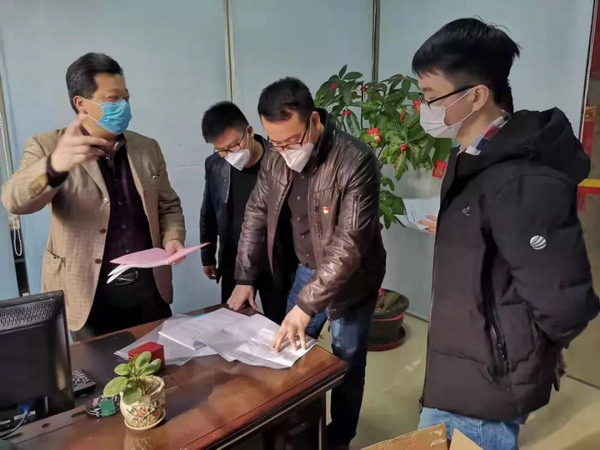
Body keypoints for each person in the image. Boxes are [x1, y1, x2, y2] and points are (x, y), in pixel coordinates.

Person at [412, 18, 600, 449]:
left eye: (430, 95)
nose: (424, 107)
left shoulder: (519, 177)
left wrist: (533, 352)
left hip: (489, 380)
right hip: (465, 359)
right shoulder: (471, 156)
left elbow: (565, 300)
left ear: (476, 96)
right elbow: (498, 241)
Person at [227, 77, 386, 449]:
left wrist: (304, 306)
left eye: (292, 141)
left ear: (314, 121)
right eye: (275, 143)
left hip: (352, 280)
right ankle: (298, 429)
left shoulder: (355, 159)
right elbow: (256, 213)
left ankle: (340, 437)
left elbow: (350, 243)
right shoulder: (274, 157)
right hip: (305, 270)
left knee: (346, 364)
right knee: (288, 352)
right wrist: (245, 277)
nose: (284, 151)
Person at [2, 53, 186, 340]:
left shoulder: (147, 147)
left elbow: (168, 205)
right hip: (88, 296)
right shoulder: (47, 146)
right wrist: (54, 166)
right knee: (99, 367)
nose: (123, 105)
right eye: (113, 99)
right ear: (81, 103)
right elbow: (15, 200)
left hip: (150, 292)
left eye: (126, 97)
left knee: (160, 362)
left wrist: (172, 237)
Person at [200, 101, 284, 323]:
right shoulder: (215, 165)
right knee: (233, 322)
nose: (229, 154)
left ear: (249, 131)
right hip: (234, 260)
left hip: (274, 261)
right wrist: (207, 255)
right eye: (221, 150)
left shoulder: (279, 161)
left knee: (278, 324)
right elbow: (209, 209)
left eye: (233, 146)